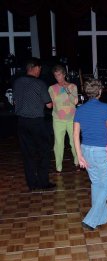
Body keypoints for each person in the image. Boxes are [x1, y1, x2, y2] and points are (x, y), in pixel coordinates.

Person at [73, 79, 107, 231]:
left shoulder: (80, 110)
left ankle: (101, 217)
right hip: (101, 150)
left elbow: (75, 134)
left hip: (86, 150)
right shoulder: (105, 108)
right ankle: (91, 219)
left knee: (96, 183)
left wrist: (79, 155)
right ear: (100, 91)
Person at [12, 57, 55, 191]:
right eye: (39, 69)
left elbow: (14, 102)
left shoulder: (17, 82)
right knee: (44, 152)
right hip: (37, 123)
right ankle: (43, 182)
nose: (40, 71)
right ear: (35, 68)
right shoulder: (40, 84)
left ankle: (32, 183)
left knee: (28, 154)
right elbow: (49, 105)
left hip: (22, 122)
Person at [48, 65, 79, 174]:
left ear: (64, 74)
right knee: (59, 143)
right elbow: (50, 105)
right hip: (58, 119)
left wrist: (67, 90)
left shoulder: (73, 86)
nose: (58, 77)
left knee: (73, 141)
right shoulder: (51, 88)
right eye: (56, 75)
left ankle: (77, 161)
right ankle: (58, 166)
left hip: (72, 118)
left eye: (59, 75)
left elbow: (75, 102)